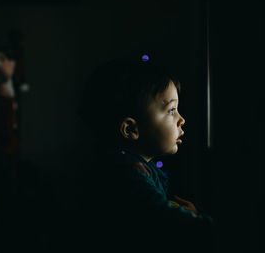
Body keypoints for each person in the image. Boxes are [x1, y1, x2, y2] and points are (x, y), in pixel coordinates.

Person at [67, 58, 214, 253]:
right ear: (130, 129)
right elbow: (162, 218)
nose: (181, 119)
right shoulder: (123, 171)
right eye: (171, 110)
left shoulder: (132, 164)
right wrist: (203, 220)